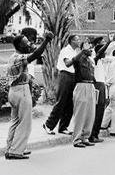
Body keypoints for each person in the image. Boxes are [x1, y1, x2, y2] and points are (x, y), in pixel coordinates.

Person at [5, 30, 54, 160]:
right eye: (26, 43)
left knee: (15, 121)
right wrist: (47, 40)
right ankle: (16, 151)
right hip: (21, 91)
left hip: (14, 91)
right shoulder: (19, 57)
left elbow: (34, 52)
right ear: (20, 46)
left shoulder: (13, 57)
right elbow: (36, 54)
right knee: (25, 122)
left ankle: (12, 147)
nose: (29, 44)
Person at [43, 35, 81, 135]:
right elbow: (68, 63)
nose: (79, 41)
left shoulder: (75, 51)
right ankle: (48, 124)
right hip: (65, 75)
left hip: (73, 76)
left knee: (70, 104)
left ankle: (63, 126)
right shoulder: (66, 50)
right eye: (77, 40)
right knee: (61, 101)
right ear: (72, 41)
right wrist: (80, 54)